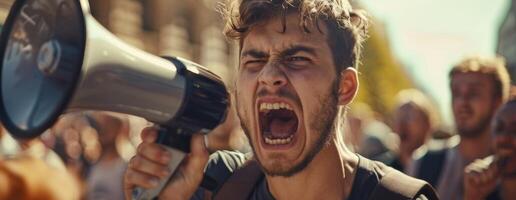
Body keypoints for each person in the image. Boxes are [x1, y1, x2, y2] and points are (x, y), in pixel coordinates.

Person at [124, 0, 437, 199]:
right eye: (254, 60)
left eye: (297, 58)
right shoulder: (211, 184)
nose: (268, 75)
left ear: (344, 87)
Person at [407, 56, 511, 200]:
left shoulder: (510, 172)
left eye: (474, 93)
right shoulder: (423, 162)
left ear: (498, 102)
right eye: (456, 93)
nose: (462, 102)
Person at [463, 99, 516, 200]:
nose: (503, 138)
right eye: (499, 128)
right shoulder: (482, 188)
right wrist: (472, 197)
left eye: (515, 130)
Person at [390, 89, 439, 171]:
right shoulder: (384, 169)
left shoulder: (440, 166)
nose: (402, 124)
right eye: (398, 117)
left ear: (427, 124)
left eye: (409, 117)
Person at [85, 112, 128, 200]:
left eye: (109, 125)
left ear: (118, 129)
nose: (103, 130)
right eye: (101, 125)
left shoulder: (125, 168)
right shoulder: (90, 167)